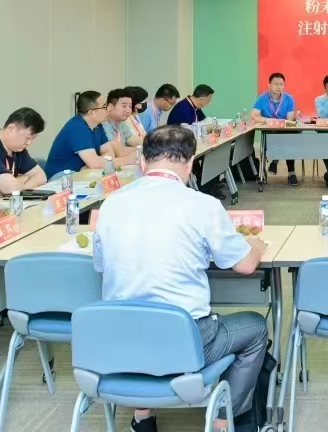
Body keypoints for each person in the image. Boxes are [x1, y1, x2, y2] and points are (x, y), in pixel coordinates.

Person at [92, 125, 269, 432]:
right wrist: (256, 246)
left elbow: (101, 265)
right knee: (255, 327)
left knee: (141, 328)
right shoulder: (202, 205)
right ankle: (223, 421)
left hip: (122, 338)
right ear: (190, 164)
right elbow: (244, 266)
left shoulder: (111, 204)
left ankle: (142, 419)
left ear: (142, 162)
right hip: (183, 339)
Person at [44, 91, 132, 177]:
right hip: (61, 177)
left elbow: (109, 153)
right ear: (91, 113)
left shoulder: (98, 125)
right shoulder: (77, 127)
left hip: (82, 173)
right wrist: (128, 159)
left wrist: (93, 164)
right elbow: (95, 163)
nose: (109, 109)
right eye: (105, 106)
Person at [0, 107, 47, 197]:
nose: (29, 143)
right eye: (27, 138)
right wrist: (26, 178)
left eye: (32, 139)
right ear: (11, 129)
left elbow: (41, 177)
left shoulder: (18, 149)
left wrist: (8, 191)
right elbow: (9, 188)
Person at [252, 73, 299, 186]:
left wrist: (289, 120)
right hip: (270, 131)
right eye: (276, 84)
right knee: (286, 138)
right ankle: (291, 173)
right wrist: (267, 120)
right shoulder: (262, 98)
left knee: (290, 135)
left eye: (281, 84)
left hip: (284, 131)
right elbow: (253, 116)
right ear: (269, 85)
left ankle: (276, 161)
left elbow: (289, 119)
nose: (278, 87)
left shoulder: (289, 98)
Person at [101, 88, 141, 157]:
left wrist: (147, 144)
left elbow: (132, 140)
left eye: (130, 106)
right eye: (124, 106)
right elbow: (117, 151)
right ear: (110, 106)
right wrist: (138, 149)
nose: (128, 110)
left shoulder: (122, 123)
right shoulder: (102, 124)